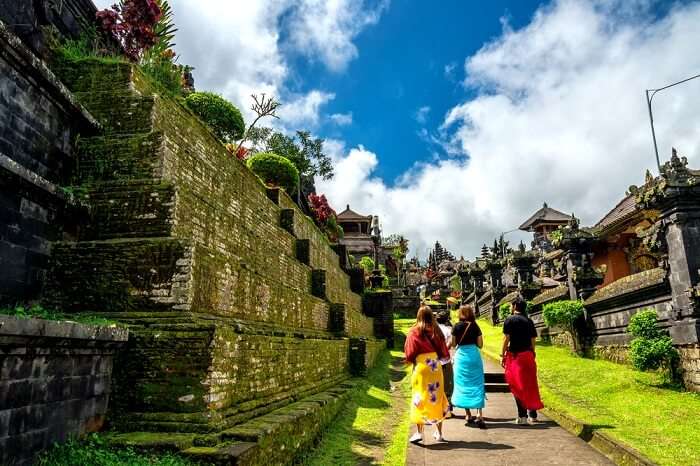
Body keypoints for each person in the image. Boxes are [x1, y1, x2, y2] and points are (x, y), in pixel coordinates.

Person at [404, 305, 450, 443]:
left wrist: (413, 362)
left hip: (422, 366)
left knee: (420, 396)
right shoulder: (437, 331)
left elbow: (410, 353)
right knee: (437, 397)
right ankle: (439, 432)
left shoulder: (414, 331)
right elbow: (444, 352)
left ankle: (419, 432)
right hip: (435, 366)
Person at [500, 296, 544, 425]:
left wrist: (502, 355)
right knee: (530, 383)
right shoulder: (528, 321)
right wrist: (532, 352)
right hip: (528, 355)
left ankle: (522, 416)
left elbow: (506, 339)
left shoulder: (509, 320)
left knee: (517, 385)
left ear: (514, 307)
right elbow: (533, 340)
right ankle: (533, 413)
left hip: (515, 356)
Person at [450, 305, 486, 429]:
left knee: (463, 384)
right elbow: (480, 345)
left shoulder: (456, 326)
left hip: (461, 358)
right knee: (477, 383)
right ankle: (479, 414)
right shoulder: (475, 326)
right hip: (474, 357)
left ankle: (468, 414)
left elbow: (454, 344)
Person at [435, 311, 454, 411]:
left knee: (436, 385)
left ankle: (436, 408)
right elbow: (450, 344)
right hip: (445, 360)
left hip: (433, 361)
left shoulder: (432, 330)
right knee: (447, 385)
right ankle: (447, 409)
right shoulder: (448, 330)